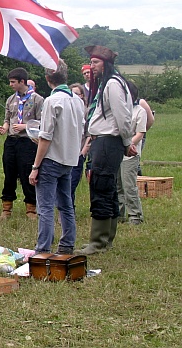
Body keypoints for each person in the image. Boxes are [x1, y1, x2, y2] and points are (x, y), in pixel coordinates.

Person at [76, 45, 135, 256]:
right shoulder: (110, 83)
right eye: (91, 62)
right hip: (104, 141)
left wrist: (127, 142)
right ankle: (106, 239)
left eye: (95, 62)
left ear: (106, 64)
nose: (92, 67)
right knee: (107, 188)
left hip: (109, 141)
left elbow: (123, 116)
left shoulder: (113, 84)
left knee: (101, 185)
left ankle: (98, 241)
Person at [28, 59, 85, 255]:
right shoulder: (77, 100)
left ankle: (43, 248)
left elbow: (45, 137)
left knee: (45, 207)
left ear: (47, 78)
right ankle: (67, 244)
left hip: (51, 160)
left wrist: (35, 167)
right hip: (69, 159)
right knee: (65, 204)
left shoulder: (51, 101)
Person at [0, 67, 43, 219]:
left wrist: (25, 126)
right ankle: (6, 207)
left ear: (22, 81)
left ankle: (31, 208)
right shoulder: (11, 99)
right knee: (9, 174)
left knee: (26, 175)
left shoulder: (37, 99)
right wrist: (4, 128)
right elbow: (7, 119)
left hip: (27, 142)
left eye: (13, 82)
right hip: (11, 141)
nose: (10, 85)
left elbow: (42, 123)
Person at [116, 80, 147, 225]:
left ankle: (135, 216)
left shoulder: (139, 111)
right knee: (118, 186)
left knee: (129, 187)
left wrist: (128, 145)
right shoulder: (120, 110)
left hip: (131, 155)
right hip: (116, 154)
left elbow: (140, 133)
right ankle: (119, 213)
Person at [69, 83, 89, 205]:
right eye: (72, 94)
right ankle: (65, 211)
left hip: (79, 152)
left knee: (72, 183)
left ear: (82, 96)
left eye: (77, 94)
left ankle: (68, 212)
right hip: (66, 152)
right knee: (65, 185)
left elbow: (89, 134)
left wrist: (83, 152)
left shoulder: (86, 111)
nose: (74, 96)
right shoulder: (67, 109)